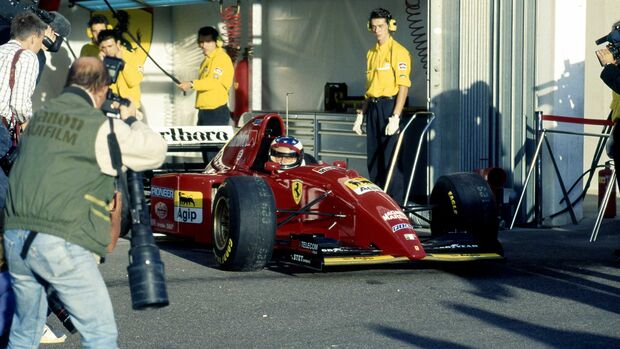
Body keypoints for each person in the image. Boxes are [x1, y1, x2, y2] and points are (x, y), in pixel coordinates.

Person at [2, 57, 167, 348]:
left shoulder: (39, 118)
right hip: (58, 241)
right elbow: (154, 152)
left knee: (24, 332)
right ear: (101, 90)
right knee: (99, 333)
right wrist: (131, 119)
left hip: (15, 238)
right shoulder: (98, 127)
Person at [352, 8, 411, 205]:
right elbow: (370, 89)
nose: (377, 30)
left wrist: (395, 117)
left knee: (391, 161)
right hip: (373, 109)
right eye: (374, 26)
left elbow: (403, 88)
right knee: (374, 160)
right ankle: (378, 204)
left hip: (389, 108)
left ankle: (395, 207)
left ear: (390, 26)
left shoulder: (399, 52)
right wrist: (361, 114)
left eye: (381, 26)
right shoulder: (371, 53)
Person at [178, 26, 234, 165]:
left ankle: (216, 182)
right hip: (204, 112)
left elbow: (213, 82)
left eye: (208, 41)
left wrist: (191, 84)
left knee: (213, 153)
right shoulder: (206, 60)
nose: (204, 45)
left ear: (216, 42)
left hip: (216, 112)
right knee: (205, 150)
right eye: (201, 42)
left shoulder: (221, 58)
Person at [97, 29, 143, 110]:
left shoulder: (131, 56)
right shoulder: (101, 60)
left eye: (110, 46)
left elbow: (134, 81)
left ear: (118, 44)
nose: (107, 50)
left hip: (131, 107)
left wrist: (123, 64)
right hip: (110, 106)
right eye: (103, 48)